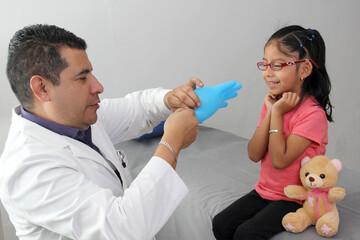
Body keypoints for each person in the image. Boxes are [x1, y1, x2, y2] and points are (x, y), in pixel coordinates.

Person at [0, 24, 204, 240]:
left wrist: (170, 99)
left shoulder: (80, 118)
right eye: (82, 77)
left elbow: (138, 109)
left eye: (91, 73)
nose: (98, 86)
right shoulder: (28, 170)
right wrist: (171, 143)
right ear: (42, 88)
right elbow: (122, 229)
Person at [212, 25, 333, 239]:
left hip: (296, 198)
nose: (268, 72)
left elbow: (280, 160)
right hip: (265, 191)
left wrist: (276, 113)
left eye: (277, 65)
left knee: (246, 234)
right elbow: (253, 153)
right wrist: (271, 112)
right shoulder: (273, 104)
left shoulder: (313, 114)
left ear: (304, 70)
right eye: (265, 64)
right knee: (221, 223)